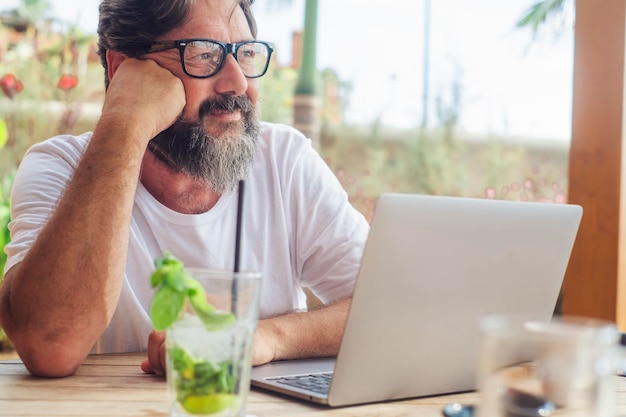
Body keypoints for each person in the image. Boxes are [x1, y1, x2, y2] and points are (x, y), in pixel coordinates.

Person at [0, 0, 369, 377]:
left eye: (245, 54)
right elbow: (50, 346)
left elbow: (387, 307)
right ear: (123, 67)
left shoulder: (285, 160)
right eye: (204, 54)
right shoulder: (58, 168)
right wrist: (125, 120)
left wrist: (264, 338)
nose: (237, 82)